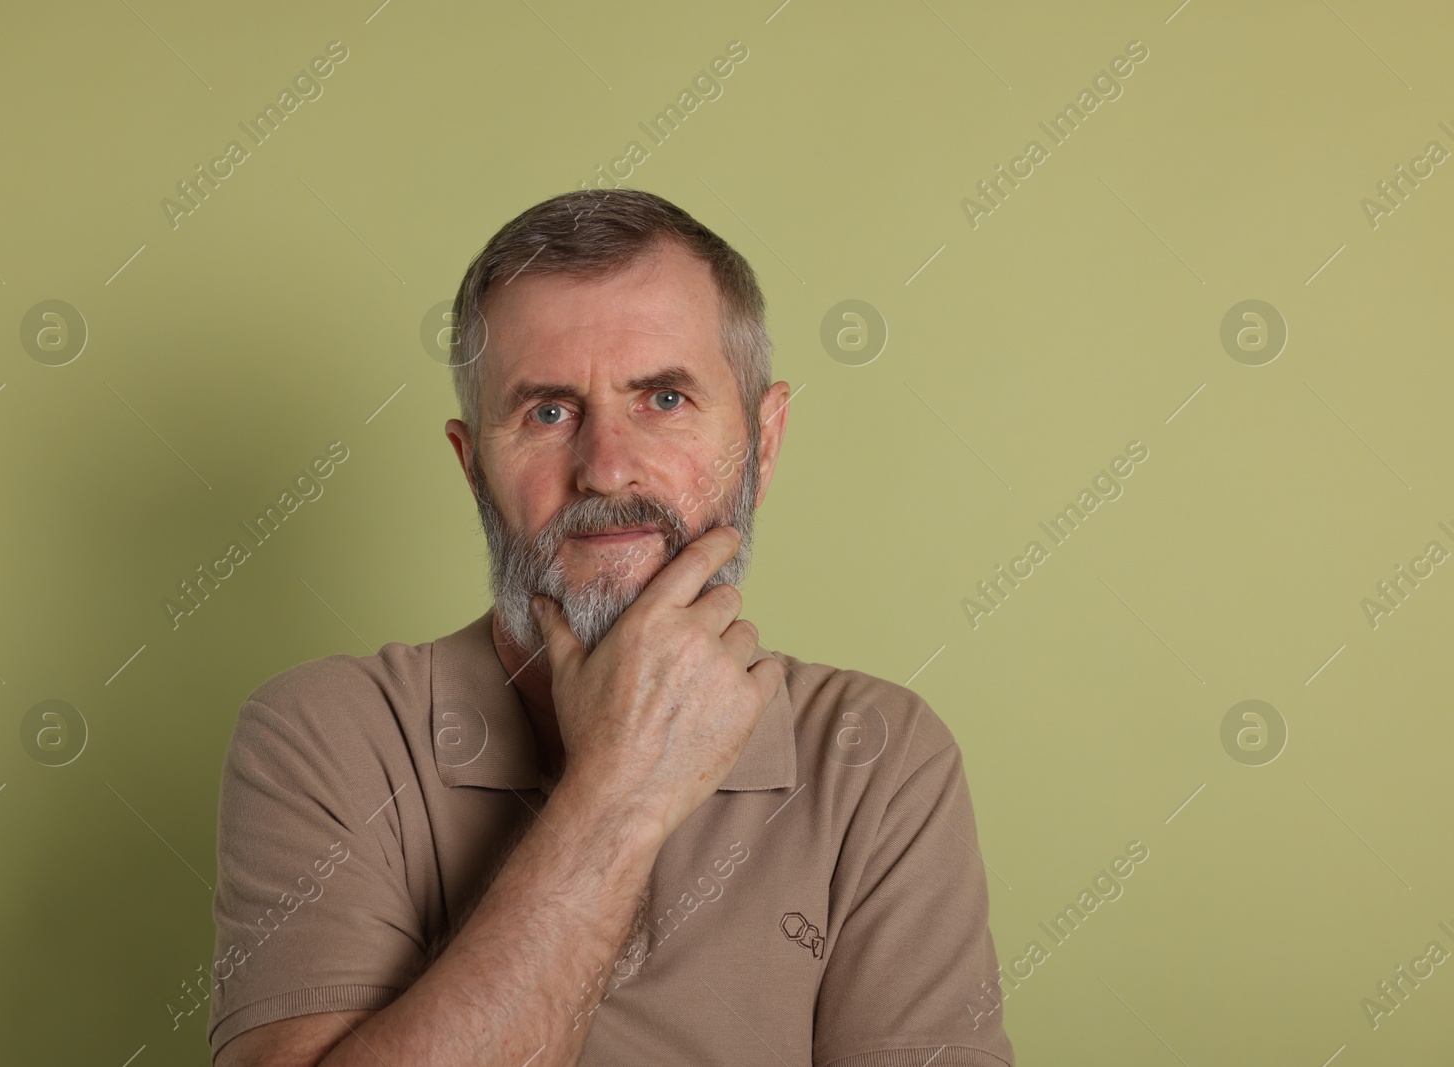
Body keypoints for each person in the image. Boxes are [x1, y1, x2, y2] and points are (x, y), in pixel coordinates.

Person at [206, 188, 1015, 1066]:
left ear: (764, 441)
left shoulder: (879, 759)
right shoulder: (325, 733)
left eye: (664, 398)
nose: (606, 467)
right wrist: (619, 789)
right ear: (474, 467)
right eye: (548, 411)